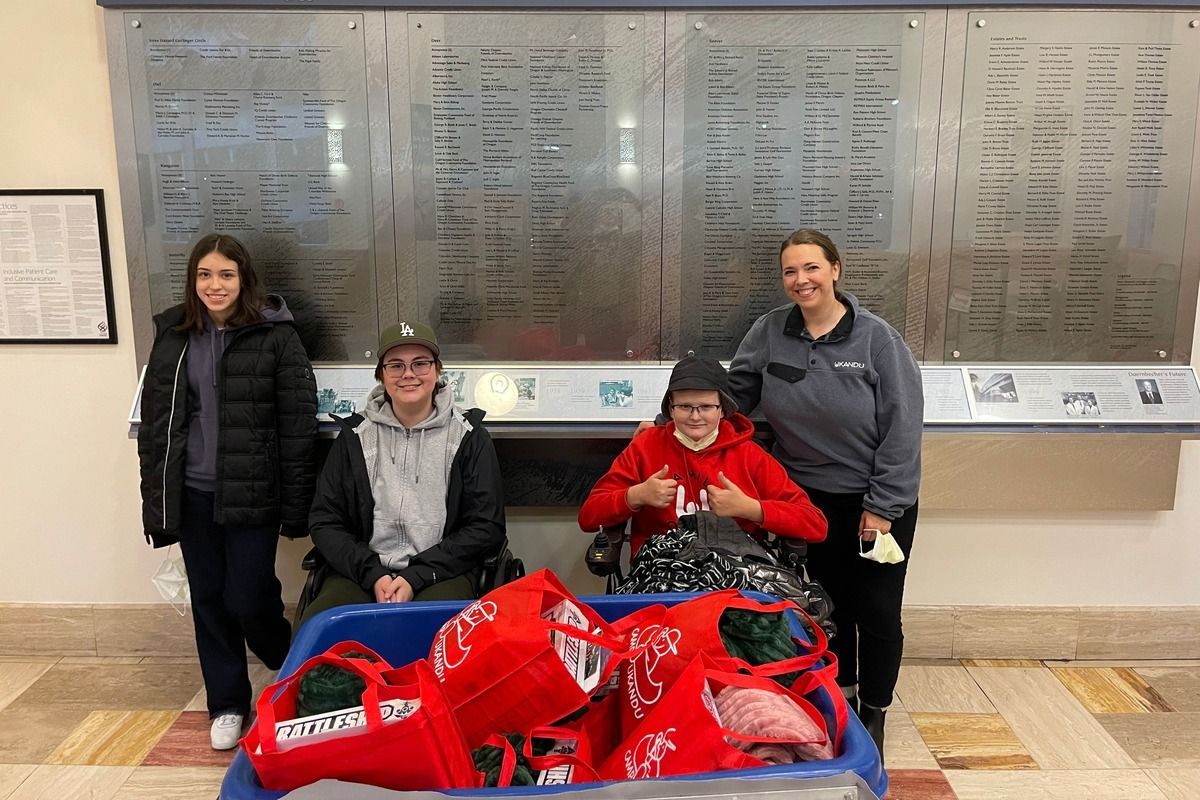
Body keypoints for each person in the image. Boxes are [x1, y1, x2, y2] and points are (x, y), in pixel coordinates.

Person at [727, 228, 923, 758]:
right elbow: (734, 395)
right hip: (806, 502)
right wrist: (668, 423)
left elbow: (903, 430)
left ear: (835, 269)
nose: (801, 280)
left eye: (811, 268)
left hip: (873, 503)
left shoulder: (877, 339)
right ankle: (843, 696)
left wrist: (881, 508)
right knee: (825, 607)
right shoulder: (769, 331)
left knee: (878, 612)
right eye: (790, 271)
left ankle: (875, 709)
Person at [137, 233, 317, 750]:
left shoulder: (277, 336)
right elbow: (157, 426)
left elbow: (298, 425)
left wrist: (295, 507)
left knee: (250, 596)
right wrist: (157, 499)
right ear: (193, 281)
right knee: (209, 598)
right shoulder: (173, 335)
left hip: (253, 491)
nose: (215, 286)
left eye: (226, 275)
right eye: (205, 275)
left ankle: (287, 661)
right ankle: (228, 703)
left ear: (244, 280)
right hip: (191, 491)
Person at [303, 321, 505, 624]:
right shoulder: (355, 436)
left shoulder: (469, 436)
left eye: (420, 363)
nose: (408, 374)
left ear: (437, 371)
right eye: (395, 365)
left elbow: (486, 525)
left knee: (432, 632)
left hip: (442, 571)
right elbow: (325, 520)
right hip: (363, 570)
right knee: (323, 629)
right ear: (381, 375)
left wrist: (417, 575)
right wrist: (372, 573)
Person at [579, 356, 827, 558]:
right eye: (685, 407)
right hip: (661, 569)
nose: (695, 416)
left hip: (735, 570)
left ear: (723, 409)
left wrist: (752, 509)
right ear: (670, 408)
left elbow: (815, 524)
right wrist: (635, 496)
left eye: (706, 407)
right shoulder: (645, 447)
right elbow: (589, 517)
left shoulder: (749, 454)